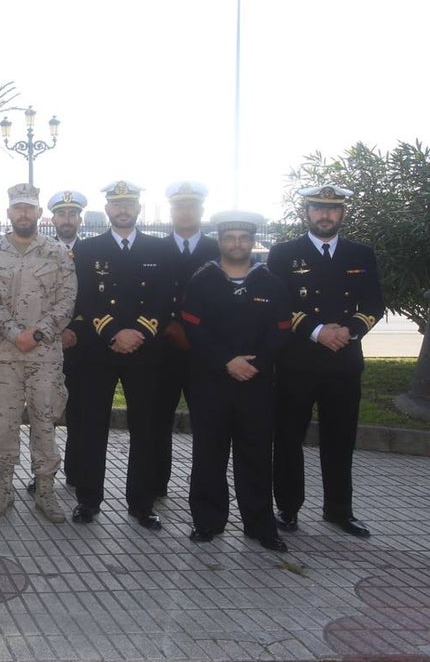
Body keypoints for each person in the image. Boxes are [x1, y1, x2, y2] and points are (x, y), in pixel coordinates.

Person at [269, 184, 385, 538]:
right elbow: (278, 304)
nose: (325, 214)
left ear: (342, 213)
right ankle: (288, 508)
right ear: (306, 213)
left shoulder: (360, 254)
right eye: (318, 208)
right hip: (297, 363)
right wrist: (317, 331)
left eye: (332, 209)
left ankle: (339, 510)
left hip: (343, 361)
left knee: (340, 438)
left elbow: (374, 304)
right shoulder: (284, 253)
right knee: (288, 438)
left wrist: (349, 331)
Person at [69, 181, 178, 530]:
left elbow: (165, 297)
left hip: (145, 351)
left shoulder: (159, 248)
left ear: (138, 209)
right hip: (99, 350)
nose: (123, 210)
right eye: (117, 205)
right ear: (107, 210)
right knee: (92, 427)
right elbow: (84, 297)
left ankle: (142, 503)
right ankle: (88, 500)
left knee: (145, 428)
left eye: (129, 204)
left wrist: (139, 332)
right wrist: (113, 331)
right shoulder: (88, 249)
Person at [181, 211, 290, 552]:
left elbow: (281, 330)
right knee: (208, 454)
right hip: (211, 382)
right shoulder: (202, 281)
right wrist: (227, 361)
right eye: (230, 238)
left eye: (243, 238)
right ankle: (207, 522)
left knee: (256, 455)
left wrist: (255, 364)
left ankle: (260, 525)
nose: (237, 244)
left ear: (252, 241)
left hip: (256, 382)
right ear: (220, 241)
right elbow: (194, 327)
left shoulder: (271, 283)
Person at [0, 184, 76, 521]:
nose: (23, 213)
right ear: (8, 213)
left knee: (44, 421)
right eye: (18, 208)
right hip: (5, 355)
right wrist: (15, 334)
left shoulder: (57, 253)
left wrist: (36, 334)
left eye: (29, 208)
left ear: (38, 213)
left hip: (44, 355)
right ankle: (3, 488)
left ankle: (45, 491)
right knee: (4, 423)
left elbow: (67, 301)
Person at [154, 182, 220, 499]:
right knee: (156, 424)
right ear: (171, 211)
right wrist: (168, 326)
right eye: (179, 206)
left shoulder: (218, 250)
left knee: (208, 426)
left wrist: (197, 334)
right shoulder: (154, 249)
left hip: (205, 352)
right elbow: (144, 296)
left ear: (201, 210)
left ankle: (204, 492)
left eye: (192, 206)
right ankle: (155, 488)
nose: (185, 211)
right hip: (162, 350)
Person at [30, 189, 88, 496]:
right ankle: (41, 473)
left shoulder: (92, 251)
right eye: (62, 214)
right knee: (42, 412)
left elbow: (94, 297)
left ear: (80, 219)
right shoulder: (39, 251)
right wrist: (51, 330)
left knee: (81, 411)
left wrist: (74, 329)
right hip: (45, 343)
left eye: (73, 214)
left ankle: (77, 472)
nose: (67, 219)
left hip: (81, 344)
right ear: (52, 219)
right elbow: (31, 297)